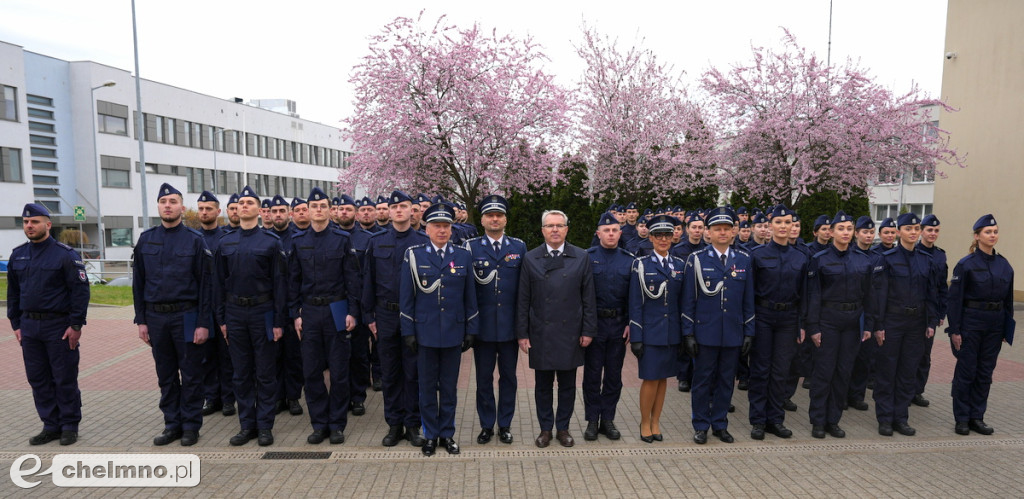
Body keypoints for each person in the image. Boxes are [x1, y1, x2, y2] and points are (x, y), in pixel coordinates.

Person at [133, 183, 213, 447]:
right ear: (158, 206)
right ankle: (172, 424)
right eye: (163, 201)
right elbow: (139, 283)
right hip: (156, 318)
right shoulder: (146, 239)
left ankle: (191, 426)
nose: (168, 205)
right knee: (165, 375)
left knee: (190, 374)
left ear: (181, 207)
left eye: (173, 201)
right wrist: (141, 320)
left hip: (187, 315)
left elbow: (205, 285)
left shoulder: (194, 240)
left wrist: (203, 323)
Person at [399, 203, 479, 456]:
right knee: (425, 387)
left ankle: (447, 433)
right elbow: (406, 296)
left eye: (446, 226)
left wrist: (470, 328)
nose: (442, 231)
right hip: (424, 332)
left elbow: (470, 296)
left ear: (452, 229)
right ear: (427, 228)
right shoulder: (414, 255)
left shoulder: (463, 255)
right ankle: (430, 435)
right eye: (437, 226)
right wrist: (408, 330)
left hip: (453, 332)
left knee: (449, 388)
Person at [8, 203, 89, 446]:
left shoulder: (65, 255)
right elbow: (13, 292)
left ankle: (69, 425)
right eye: (26, 222)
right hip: (30, 326)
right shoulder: (18, 254)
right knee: (38, 378)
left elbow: (80, 292)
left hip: (58, 326)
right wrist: (16, 323)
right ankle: (50, 425)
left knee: (63, 377)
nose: (29, 226)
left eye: (34, 222)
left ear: (48, 225)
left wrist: (76, 325)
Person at [516, 210, 597, 448]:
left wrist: (588, 330)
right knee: (542, 386)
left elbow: (588, 297)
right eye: (549, 226)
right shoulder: (530, 258)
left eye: (559, 225)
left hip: (570, 331)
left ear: (566, 229)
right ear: (542, 230)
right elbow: (523, 299)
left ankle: (563, 428)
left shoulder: (581, 257)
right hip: (541, 331)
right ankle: (544, 429)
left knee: (567, 385)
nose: (554, 230)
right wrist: (522, 333)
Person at [215, 186, 288, 446]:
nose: (244, 206)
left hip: (263, 312)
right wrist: (222, 319)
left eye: (249, 203)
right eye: (240, 203)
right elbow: (218, 285)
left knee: (266, 372)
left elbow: (280, 285)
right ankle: (247, 425)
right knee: (241, 373)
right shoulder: (225, 242)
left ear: (259, 210)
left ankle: (265, 426)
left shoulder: (271, 242)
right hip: (235, 314)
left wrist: (279, 322)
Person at [289, 187, 362, 445]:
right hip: (309, 311)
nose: (318, 210)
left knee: (340, 372)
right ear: (307, 211)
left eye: (322, 206)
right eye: (314, 206)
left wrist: (353, 311)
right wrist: (294, 314)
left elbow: (352, 278)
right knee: (311, 372)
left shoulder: (342, 239)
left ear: (330, 210)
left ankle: (337, 424)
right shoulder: (298, 241)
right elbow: (293, 281)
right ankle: (319, 424)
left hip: (336, 309)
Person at [681, 207, 754, 444]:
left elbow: (748, 299)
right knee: (702, 381)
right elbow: (688, 299)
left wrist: (748, 331)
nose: (722, 233)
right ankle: (701, 425)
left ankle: (720, 424)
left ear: (734, 232)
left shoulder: (744, 259)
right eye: (717, 229)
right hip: (705, 332)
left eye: (726, 229)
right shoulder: (697, 259)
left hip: (733, 332)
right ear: (708, 233)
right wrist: (688, 333)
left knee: (726, 381)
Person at [362, 190, 430, 447]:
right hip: (385, 314)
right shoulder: (376, 241)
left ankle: (413, 425)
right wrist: (369, 315)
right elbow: (367, 280)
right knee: (390, 373)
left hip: (414, 316)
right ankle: (394, 424)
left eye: (404, 206)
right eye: (394, 207)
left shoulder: (423, 241)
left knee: (413, 372)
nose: (399, 210)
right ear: (389, 212)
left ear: (413, 210)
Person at [804, 211, 874, 438]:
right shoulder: (820, 259)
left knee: (843, 373)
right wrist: (813, 327)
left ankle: (833, 420)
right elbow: (813, 296)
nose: (845, 233)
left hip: (852, 323)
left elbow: (869, 296)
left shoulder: (863, 260)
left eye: (849, 228)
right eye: (841, 229)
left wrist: (869, 325)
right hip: (828, 322)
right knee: (824, 372)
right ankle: (817, 420)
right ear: (831, 232)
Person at [871, 212, 939, 437]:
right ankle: (885, 418)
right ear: (899, 232)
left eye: (916, 228)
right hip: (892, 321)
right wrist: (878, 325)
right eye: (908, 229)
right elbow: (879, 295)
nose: (913, 232)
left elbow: (931, 294)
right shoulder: (887, 258)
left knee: (908, 371)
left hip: (916, 323)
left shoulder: (925, 260)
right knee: (887, 371)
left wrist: (930, 322)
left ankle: (901, 417)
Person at [465, 195, 526, 445]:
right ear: (482, 220)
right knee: (483, 379)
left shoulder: (519, 247)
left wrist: (524, 327)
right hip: (483, 327)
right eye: (490, 215)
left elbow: (524, 291)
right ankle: (486, 425)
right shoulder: (470, 247)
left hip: (510, 327)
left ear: (505, 219)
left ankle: (505, 424)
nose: (494, 219)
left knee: (509, 379)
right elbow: (467, 290)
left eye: (499, 215)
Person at [947, 214, 1014, 436]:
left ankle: (977, 416)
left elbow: (1008, 301)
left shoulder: (1004, 265)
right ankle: (962, 418)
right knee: (967, 372)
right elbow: (954, 301)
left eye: (995, 232)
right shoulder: (966, 265)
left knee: (985, 373)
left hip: (994, 326)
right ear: (977, 236)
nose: (992, 235)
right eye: (987, 232)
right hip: (971, 324)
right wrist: (955, 330)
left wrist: (1007, 328)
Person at [747, 205, 807, 440]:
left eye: (788, 222)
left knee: (781, 371)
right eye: (779, 222)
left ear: (793, 226)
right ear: (770, 226)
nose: (784, 227)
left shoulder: (800, 258)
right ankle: (758, 421)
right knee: (761, 370)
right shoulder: (757, 255)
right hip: (763, 316)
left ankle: (776, 419)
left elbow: (805, 294)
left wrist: (802, 323)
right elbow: (749, 293)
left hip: (788, 320)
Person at [628, 214, 683, 443]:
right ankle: (644, 422)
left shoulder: (680, 265)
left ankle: (656, 421)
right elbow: (635, 302)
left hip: (671, 332)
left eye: (667, 235)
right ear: (650, 238)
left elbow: (683, 301)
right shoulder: (640, 265)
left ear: (673, 237)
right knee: (650, 379)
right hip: (650, 333)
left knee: (663, 380)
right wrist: (636, 336)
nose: (663, 239)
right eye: (658, 235)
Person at [584, 212, 633, 441]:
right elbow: (581, 295)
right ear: (598, 233)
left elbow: (633, 297)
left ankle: (608, 420)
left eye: (614, 230)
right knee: (592, 375)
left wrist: (630, 323)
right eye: (606, 230)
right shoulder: (587, 257)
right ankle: (592, 420)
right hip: (595, 326)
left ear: (620, 233)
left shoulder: (628, 259)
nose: (611, 234)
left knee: (614, 376)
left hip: (618, 326)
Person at [196, 191, 236, 417]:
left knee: (227, 354)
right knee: (205, 355)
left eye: (208, 208)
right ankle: (212, 398)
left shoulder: (226, 238)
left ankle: (229, 398)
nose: (204, 212)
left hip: (224, 305)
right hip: (201, 306)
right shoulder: (193, 239)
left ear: (218, 212)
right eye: (200, 208)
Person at [267, 195, 304, 416]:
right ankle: (278, 397)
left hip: (292, 305)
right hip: (269, 307)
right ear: (269, 214)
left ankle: (293, 397)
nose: (278, 215)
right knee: (273, 355)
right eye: (275, 211)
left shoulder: (298, 239)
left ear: (289, 213)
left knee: (293, 355)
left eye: (282, 211)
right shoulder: (264, 238)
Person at [913, 214, 948, 408]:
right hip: (913, 310)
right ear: (921, 231)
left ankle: (917, 391)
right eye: (929, 230)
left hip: (931, 312)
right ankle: (905, 390)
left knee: (925, 354)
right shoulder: (914, 251)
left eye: (936, 230)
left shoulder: (940, 255)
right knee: (909, 354)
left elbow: (942, 287)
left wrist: (941, 313)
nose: (933, 233)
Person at [671, 212, 707, 392]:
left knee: (700, 340)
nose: (697, 231)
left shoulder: (707, 249)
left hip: (701, 300)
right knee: (684, 339)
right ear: (687, 229)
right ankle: (683, 376)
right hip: (682, 299)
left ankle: (697, 376)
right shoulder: (678, 250)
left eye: (700, 227)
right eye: (694, 227)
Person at [847, 216, 878, 411]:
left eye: (871, 232)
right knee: (848, 356)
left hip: (868, 310)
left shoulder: (878, 258)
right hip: (852, 310)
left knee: (864, 357)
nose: (868, 236)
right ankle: (842, 395)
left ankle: (857, 395)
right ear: (856, 233)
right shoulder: (849, 254)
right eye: (864, 232)